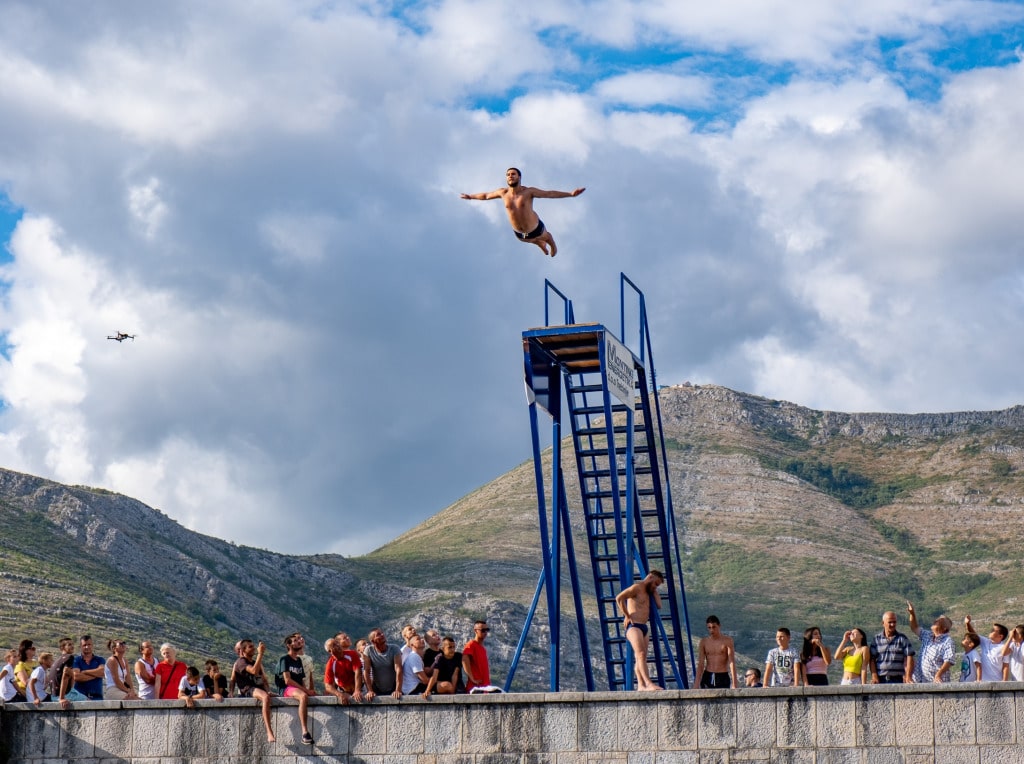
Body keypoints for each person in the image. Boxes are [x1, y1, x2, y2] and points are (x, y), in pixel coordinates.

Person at [460, 167, 585, 257]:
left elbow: (549, 193)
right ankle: (539, 244)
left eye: (513, 174)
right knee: (530, 240)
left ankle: (550, 243)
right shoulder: (503, 193)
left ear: (519, 177)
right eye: (508, 174)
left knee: (545, 237)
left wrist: (570, 194)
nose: (510, 176)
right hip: (520, 234)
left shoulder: (528, 192)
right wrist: (470, 196)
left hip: (536, 228)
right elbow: (486, 195)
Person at [614, 570, 665, 692]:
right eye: (655, 584)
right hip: (634, 626)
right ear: (650, 577)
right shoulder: (636, 587)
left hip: (644, 627)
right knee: (640, 654)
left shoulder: (649, 592)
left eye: (657, 585)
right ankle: (648, 684)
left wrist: (655, 590)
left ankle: (641, 686)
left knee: (641, 658)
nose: (655, 587)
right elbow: (619, 598)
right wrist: (627, 615)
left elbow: (659, 605)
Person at [276, 632, 315, 745]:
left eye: (299, 640)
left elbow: (301, 679)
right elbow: (287, 680)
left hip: (296, 688)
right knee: (303, 696)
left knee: (307, 695)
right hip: (286, 688)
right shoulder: (284, 659)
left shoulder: (298, 661)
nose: (299, 642)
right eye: (295, 641)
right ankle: (304, 732)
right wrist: (306, 691)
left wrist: (309, 690)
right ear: (289, 645)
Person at [233, 639, 275, 743]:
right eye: (250, 647)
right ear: (243, 650)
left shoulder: (255, 662)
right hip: (248, 689)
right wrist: (260, 654)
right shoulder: (241, 662)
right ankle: (269, 732)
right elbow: (253, 671)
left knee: (270, 696)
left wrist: (268, 690)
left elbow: (263, 679)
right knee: (265, 697)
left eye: (253, 646)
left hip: (258, 688)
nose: (253, 648)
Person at [907, 601, 955, 683]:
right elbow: (914, 628)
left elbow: (949, 661)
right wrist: (912, 613)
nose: (936, 621)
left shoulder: (947, 641)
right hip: (920, 681)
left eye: (940, 621)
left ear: (944, 628)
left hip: (936, 683)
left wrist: (938, 674)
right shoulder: (927, 635)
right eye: (937, 620)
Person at [869, 611, 915, 684]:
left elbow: (909, 656)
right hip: (880, 679)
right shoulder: (876, 639)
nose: (892, 624)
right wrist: (874, 676)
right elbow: (872, 659)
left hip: (898, 679)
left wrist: (908, 676)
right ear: (883, 623)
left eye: (894, 622)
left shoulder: (902, 638)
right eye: (890, 622)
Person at [695, 615, 737, 689]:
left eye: (714, 627)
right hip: (708, 674)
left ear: (719, 626)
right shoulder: (704, 642)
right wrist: (696, 684)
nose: (712, 630)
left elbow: (731, 662)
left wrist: (735, 683)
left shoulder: (727, 641)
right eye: (709, 628)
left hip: (722, 675)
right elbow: (701, 664)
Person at [362, 627, 403, 700]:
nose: (382, 635)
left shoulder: (394, 648)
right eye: (378, 634)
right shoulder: (368, 650)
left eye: (382, 633)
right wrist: (370, 691)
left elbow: (398, 669)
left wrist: (398, 690)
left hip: (393, 687)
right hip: (377, 688)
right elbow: (366, 671)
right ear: (373, 641)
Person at [964, 616, 1008, 681]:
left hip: (997, 681)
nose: (990, 631)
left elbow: (1005, 665)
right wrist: (967, 623)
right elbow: (973, 634)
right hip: (983, 681)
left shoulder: (1004, 648)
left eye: (993, 630)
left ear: (1000, 636)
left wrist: (1004, 682)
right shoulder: (985, 642)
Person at [323, 635, 363, 705]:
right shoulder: (330, 664)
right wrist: (340, 694)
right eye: (334, 645)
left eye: (337, 643)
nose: (337, 645)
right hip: (343, 690)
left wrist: (357, 690)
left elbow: (358, 672)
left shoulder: (352, 654)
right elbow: (328, 686)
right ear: (330, 651)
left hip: (360, 687)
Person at [49, 638, 84, 707]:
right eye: (69, 645)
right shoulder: (69, 657)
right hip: (65, 695)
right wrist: (62, 698)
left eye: (72, 644)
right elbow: (65, 676)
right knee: (90, 702)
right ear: (63, 648)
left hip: (54, 696)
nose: (72, 646)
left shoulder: (57, 660)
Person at [463, 619, 494, 692]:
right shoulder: (471, 645)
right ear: (475, 631)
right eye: (483, 630)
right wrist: (472, 678)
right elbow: (464, 660)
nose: (485, 632)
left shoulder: (483, 649)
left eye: (487, 630)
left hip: (485, 687)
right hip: (476, 687)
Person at [73, 635, 106, 700]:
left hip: (97, 697)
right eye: (84, 645)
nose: (87, 647)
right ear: (80, 646)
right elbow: (76, 676)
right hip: (80, 697)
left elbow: (102, 672)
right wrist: (96, 674)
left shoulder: (100, 660)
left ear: (92, 645)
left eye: (89, 644)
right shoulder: (76, 660)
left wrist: (84, 672)